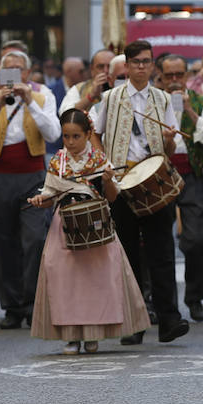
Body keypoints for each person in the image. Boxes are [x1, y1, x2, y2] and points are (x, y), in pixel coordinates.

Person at [90, 39, 188, 345]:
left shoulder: (163, 99)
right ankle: (133, 324)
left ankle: (169, 319)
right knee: (128, 255)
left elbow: (172, 147)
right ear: (127, 67)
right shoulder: (111, 98)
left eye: (147, 62)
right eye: (136, 62)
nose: (142, 67)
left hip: (154, 179)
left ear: (152, 65)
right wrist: (103, 163)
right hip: (121, 182)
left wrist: (169, 139)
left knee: (162, 253)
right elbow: (95, 132)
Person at [27, 109, 148, 352]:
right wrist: (41, 200)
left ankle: (93, 334)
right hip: (65, 226)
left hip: (97, 225)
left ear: (88, 134)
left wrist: (107, 180)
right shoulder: (58, 162)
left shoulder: (100, 160)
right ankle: (71, 336)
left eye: (76, 137)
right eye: (66, 137)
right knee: (64, 279)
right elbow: (51, 196)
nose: (70, 142)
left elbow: (112, 197)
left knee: (96, 280)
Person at [0, 49, 60, 330]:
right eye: (8, 70)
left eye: (19, 70)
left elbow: (53, 134)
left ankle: (32, 302)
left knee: (35, 239)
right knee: (4, 243)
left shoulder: (43, 96)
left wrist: (30, 102)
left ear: (27, 74)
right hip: (0, 175)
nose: (14, 75)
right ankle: (12, 306)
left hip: (33, 175)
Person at [156, 53, 203, 322]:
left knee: (195, 240)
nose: (174, 81)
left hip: (192, 175)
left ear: (187, 76)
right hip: (158, 174)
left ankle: (194, 298)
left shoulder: (200, 102)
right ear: (159, 76)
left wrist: (190, 111)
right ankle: (161, 302)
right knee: (158, 241)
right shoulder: (151, 101)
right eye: (168, 76)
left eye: (179, 75)